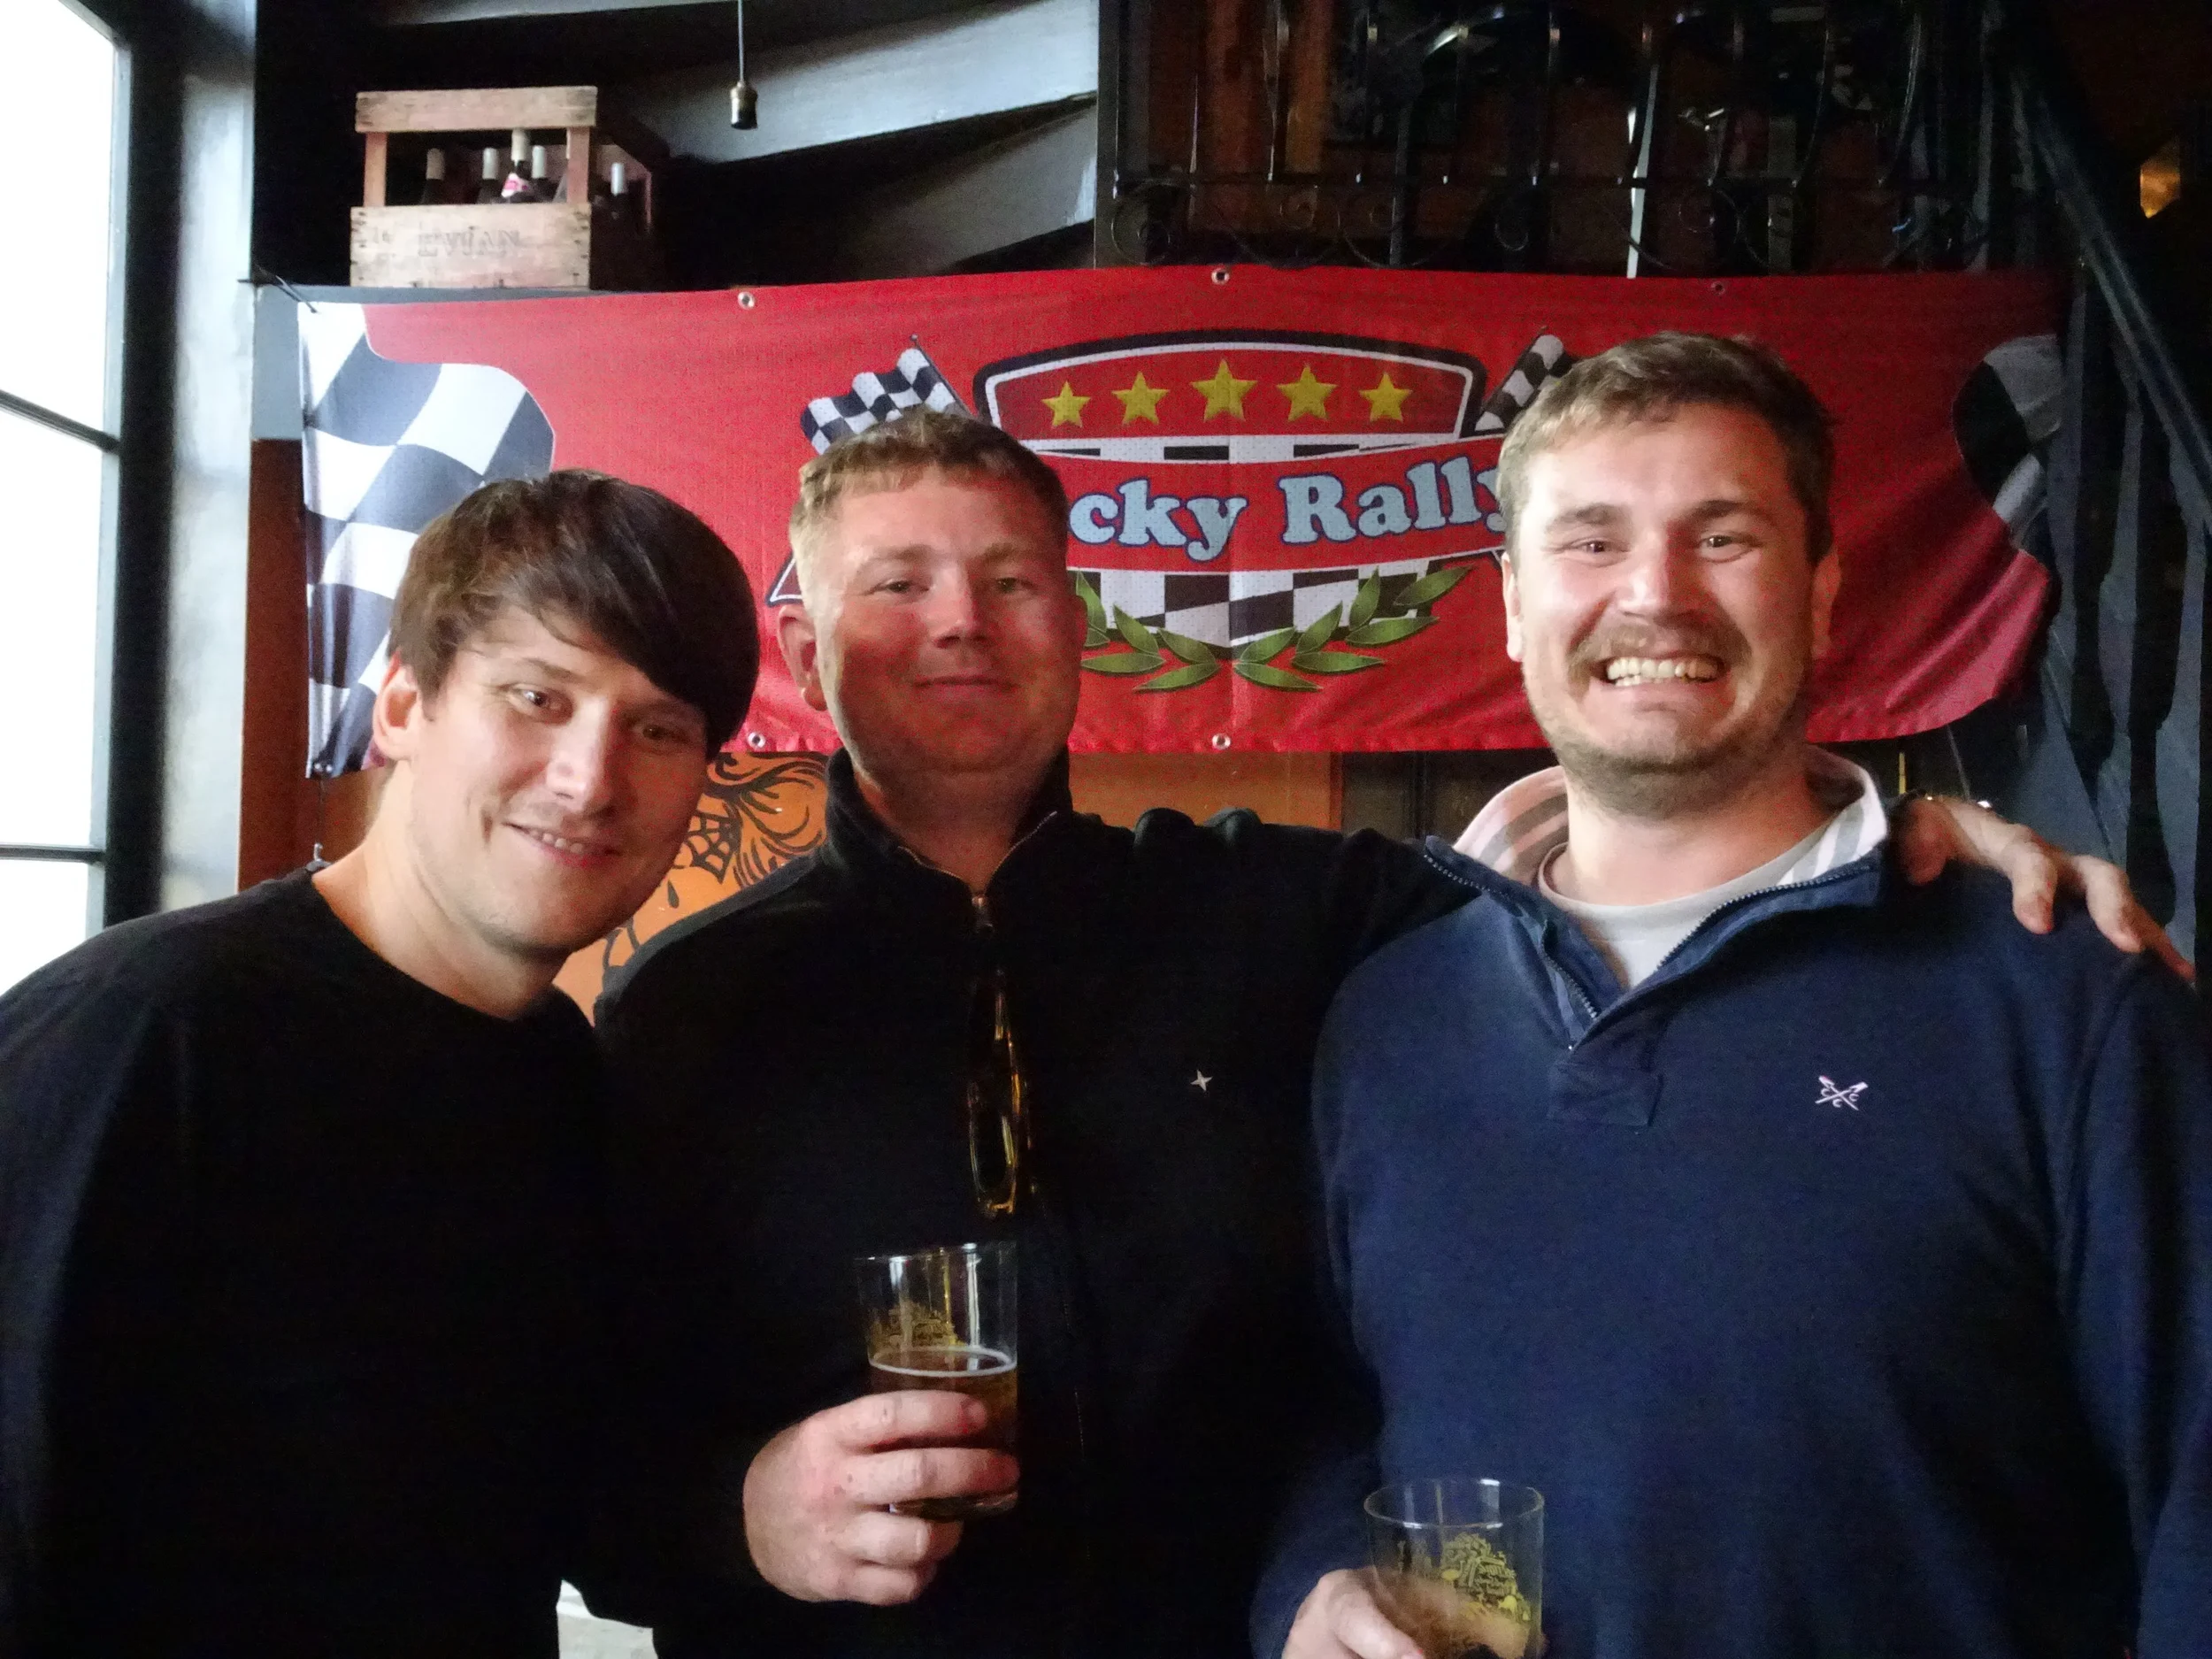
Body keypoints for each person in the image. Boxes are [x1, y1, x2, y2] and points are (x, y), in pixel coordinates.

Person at [593, 407, 2168, 1659]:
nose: (963, 625)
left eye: (1010, 580)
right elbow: (557, 1458)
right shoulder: (689, 1008)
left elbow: (1653, 845)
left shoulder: (1290, 919)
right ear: (808, 655)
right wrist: (736, 1513)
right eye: (896, 585)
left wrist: (1927, 834)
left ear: (1078, 625)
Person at [1258, 334, 2212, 1659]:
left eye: (1724, 536)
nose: (1655, 595)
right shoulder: (1385, 1017)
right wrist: (1310, 1580)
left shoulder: (2063, 996)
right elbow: (1328, 1400)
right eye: (1590, 540)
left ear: (1823, 592)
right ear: (1512, 605)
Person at [0, 471, 758, 1658]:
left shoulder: (566, 1074)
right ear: (400, 702)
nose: (590, 776)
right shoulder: (148, 1033)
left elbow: (544, 1503)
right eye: (537, 696)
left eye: (657, 727)